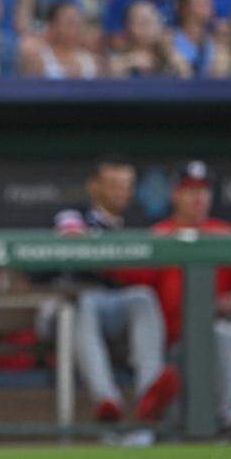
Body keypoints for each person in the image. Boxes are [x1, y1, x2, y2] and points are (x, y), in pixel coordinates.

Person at [54, 157, 179, 425]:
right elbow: (77, 245)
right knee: (87, 302)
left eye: (126, 186)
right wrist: (120, 264)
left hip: (122, 307)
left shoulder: (140, 221)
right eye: (113, 185)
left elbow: (148, 271)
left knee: (144, 298)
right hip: (80, 303)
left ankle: (149, 396)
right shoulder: (74, 214)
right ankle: (106, 400)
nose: (121, 192)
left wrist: (116, 264)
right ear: (94, 186)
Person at [150, 161, 231, 429]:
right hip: (169, 340)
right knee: (172, 424)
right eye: (189, 190)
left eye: (203, 190)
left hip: (212, 331)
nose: (198, 197)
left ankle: (230, 420)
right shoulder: (159, 235)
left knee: (220, 335)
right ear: (175, 195)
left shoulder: (225, 233)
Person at [108, 0, 192, 78]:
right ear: (128, 27)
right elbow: (110, 73)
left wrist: (170, 51)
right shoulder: (120, 56)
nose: (149, 28)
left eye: (153, 21)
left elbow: (187, 78)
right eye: (142, 23)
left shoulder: (168, 54)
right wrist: (130, 61)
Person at [18, 0, 98, 79]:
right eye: (69, 23)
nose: (75, 28)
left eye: (77, 23)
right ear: (53, 25)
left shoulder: (90, 60)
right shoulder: (39, 59)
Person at [171, 0, 228, 77]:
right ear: (184, 7)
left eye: (210, 1)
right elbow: (183, 73)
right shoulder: (170, 39)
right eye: (202, 1)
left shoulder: (216, 42)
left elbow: (219, 76)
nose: (209, 6)